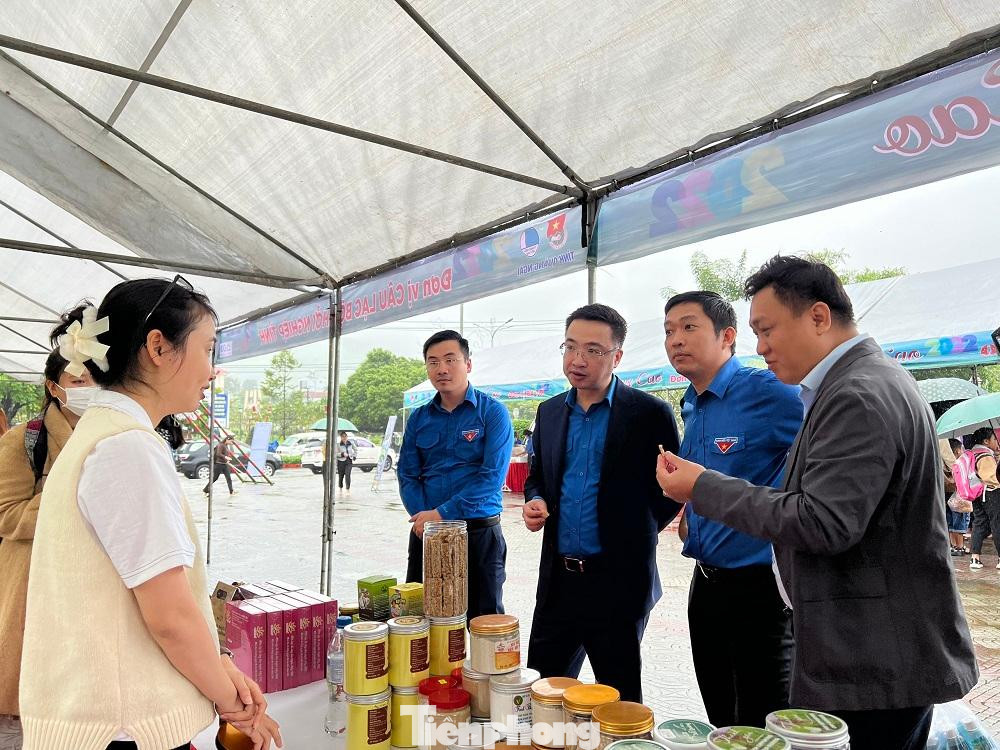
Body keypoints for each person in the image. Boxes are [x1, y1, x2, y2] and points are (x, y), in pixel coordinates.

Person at [655, 256, 978, 750]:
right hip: (867, 646)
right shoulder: (855, 383)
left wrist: (703, 488)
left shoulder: (857, 394)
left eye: (767, 330)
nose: (760, 347)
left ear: (819, 317)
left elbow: (822, 521)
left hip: (874, 655)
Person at [19, 277, 281, 750]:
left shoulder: (105, 433)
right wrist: (234, 705)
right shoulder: (127, 448)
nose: (212, 371)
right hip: (123, 727)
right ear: (158, 347)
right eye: (208, 349)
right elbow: (170, 617)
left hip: (106, 716)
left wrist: (220, 663)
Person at [523, 304, 681, 702]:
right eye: (570, 347)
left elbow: (670, 492)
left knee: (620, 700)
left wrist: (634, 531)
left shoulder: (649, 414)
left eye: (593, 350)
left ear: (617, 356)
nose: (578, 360)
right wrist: (535, 499)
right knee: (544, 694)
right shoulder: (549, 412)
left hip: (618, 585)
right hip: (559, 583)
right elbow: (538, 476)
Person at [663, 291, 802, 728]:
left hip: (760, 588)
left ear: (727, 337)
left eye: (689, 327)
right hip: (705, 584)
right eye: (669, 331)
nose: (676, 340)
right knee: (720, 714)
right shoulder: (692, 402)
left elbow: (824, 449)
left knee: (763, 721)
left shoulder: (769, 391)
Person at [0, 306, 97, 750]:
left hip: (88, 590)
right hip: (30, 588)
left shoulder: (115, 437)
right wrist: (70, 491)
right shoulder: (23, 440)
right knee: (25, 716)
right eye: (78, 381)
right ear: (53, 386)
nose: (88, 390)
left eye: (96, 380)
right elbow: (7, 516)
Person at [397, 330, 514, 619]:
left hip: (479, 534)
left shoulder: (493, 413)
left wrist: (442, 514)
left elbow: (491, 478)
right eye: (433, 362)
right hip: (428, 532)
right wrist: (425, 517)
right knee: (425, 617)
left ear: (468, 364)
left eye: (450, 360)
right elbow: (408, 474)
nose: (442, 369)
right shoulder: (419, 418)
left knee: (484, 620)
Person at [967, 427, 1000, 571]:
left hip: (977, 493)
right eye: (994, 439)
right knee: (997, 523)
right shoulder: (985, 456)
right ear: (986, 441)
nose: (996, 442)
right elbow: (991, 477)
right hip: (991, 492)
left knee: (979, 523)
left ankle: (975, 557)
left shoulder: (974, 453)